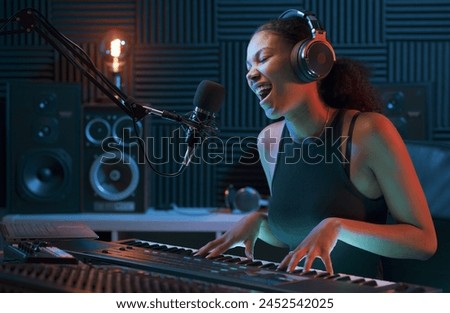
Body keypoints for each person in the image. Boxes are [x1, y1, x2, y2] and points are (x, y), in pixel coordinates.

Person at [196, 9, 437, 278]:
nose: (251, 75)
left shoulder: (368, 131)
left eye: (262, 59)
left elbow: (423, 243)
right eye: (247, 67)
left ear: (310, 61)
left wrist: (339, 227)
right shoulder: (269, 141)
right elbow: (299, 232)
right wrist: (260, 223)